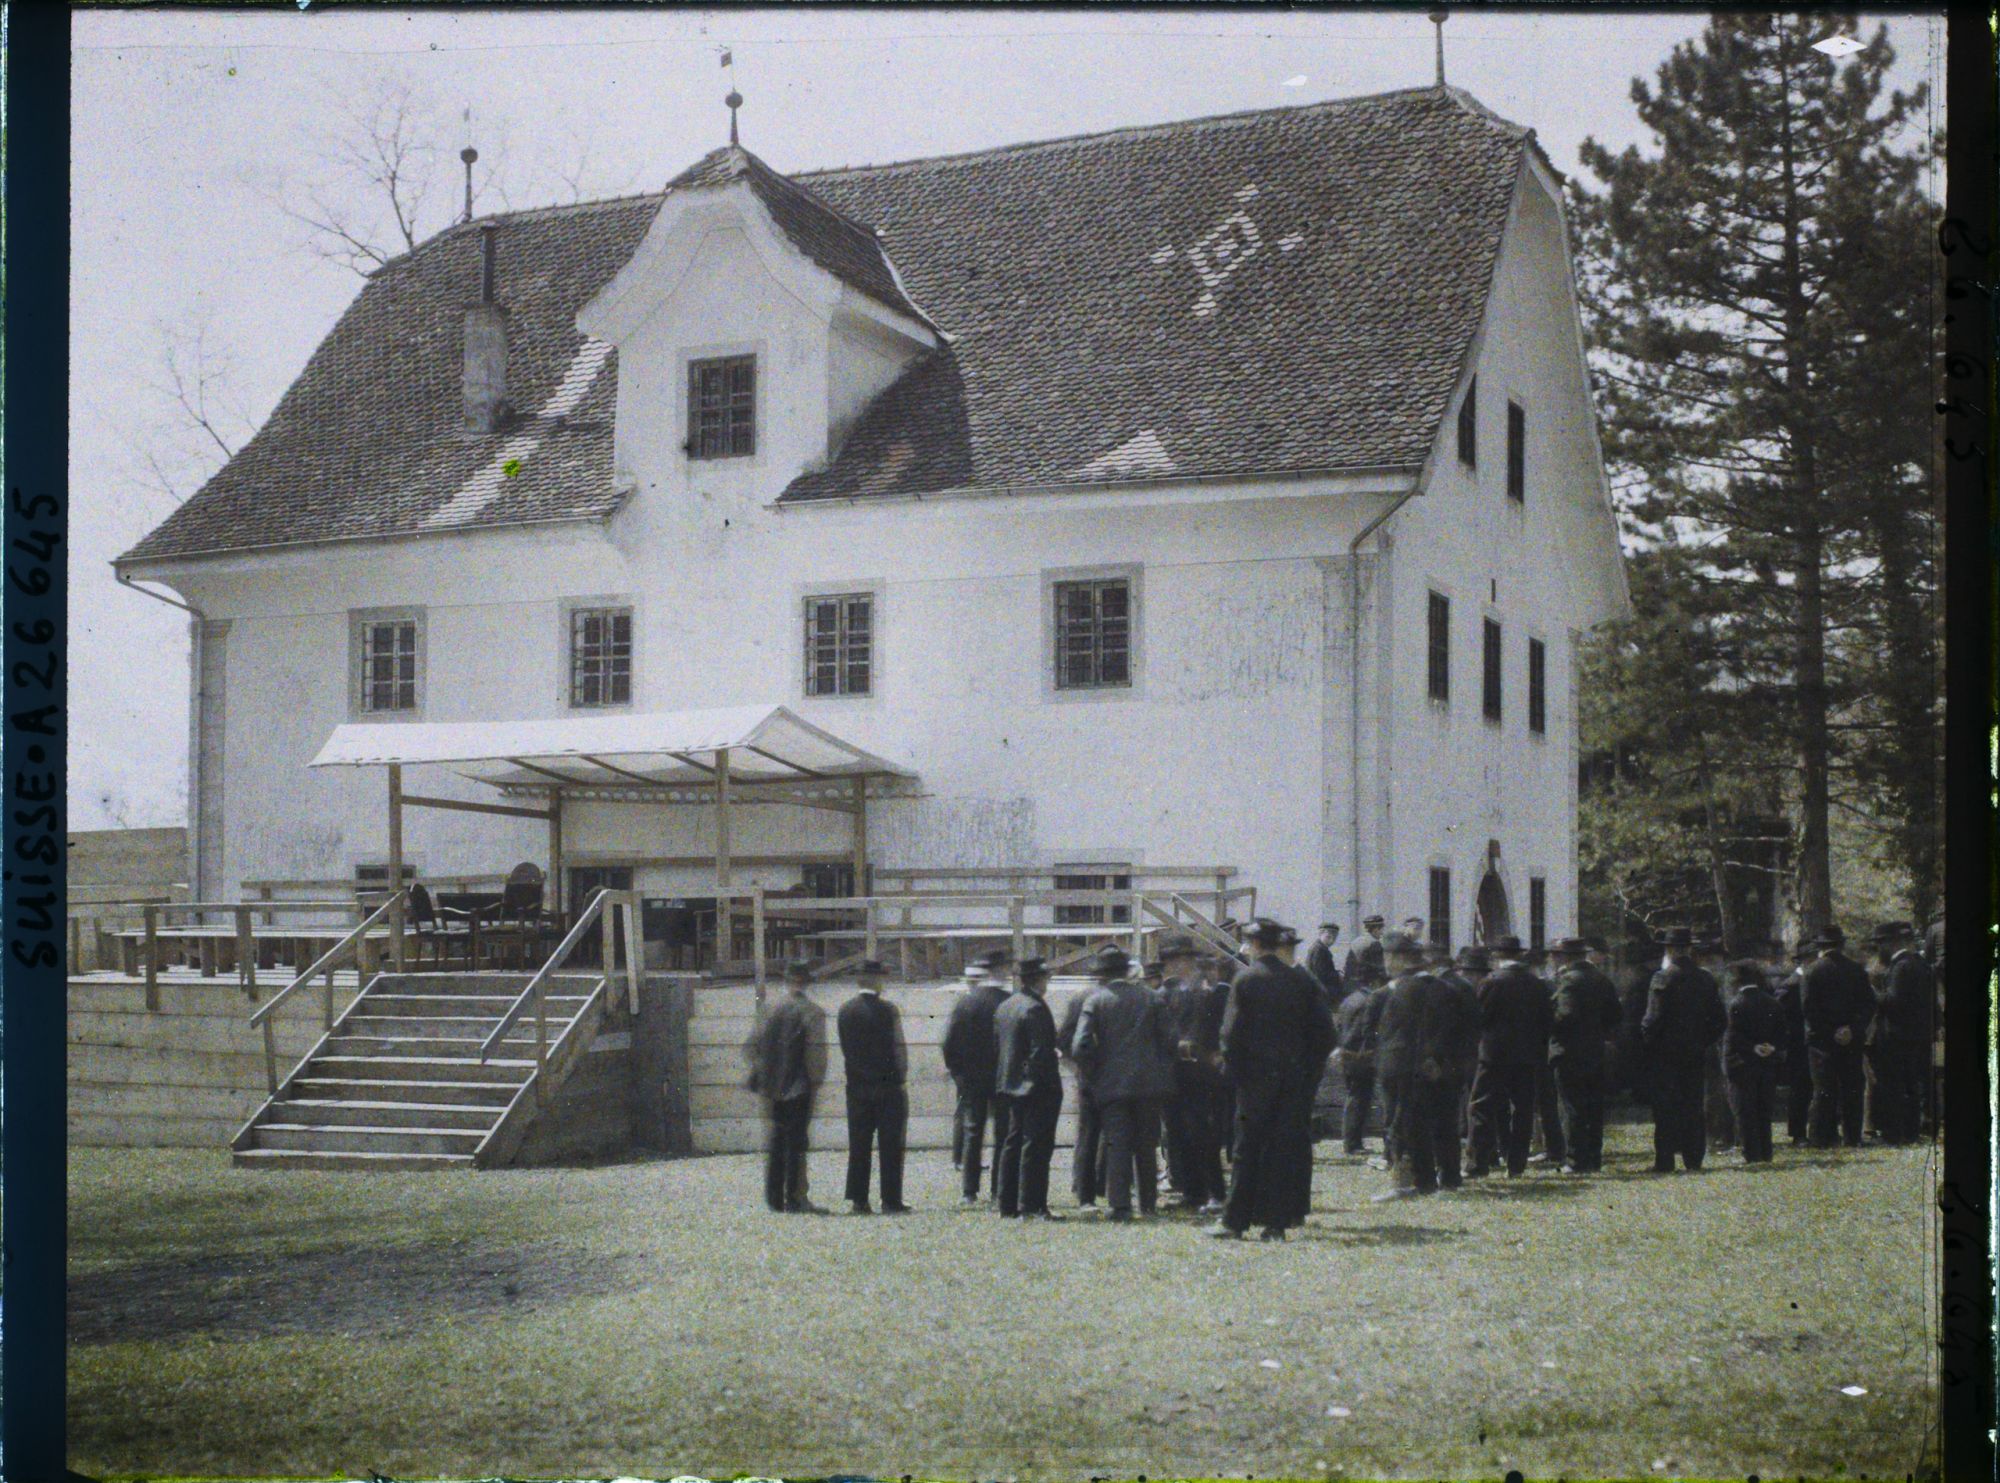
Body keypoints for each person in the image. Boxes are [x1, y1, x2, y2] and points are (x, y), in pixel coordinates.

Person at [1207, 919, 1333, 1241]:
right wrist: (1306, 1072)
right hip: (1293, 1081)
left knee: (1246, 1149)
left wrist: (1236, 1074)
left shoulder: (1245, 980)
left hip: (1254, 1081)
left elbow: (1230, 1036)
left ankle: (1234, 1221)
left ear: (1254, 945)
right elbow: (1326, 1034)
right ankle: (1275, 1223)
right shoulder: (1301, 981)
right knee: (1283, 1149)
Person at [1071, 946, 1177, 1222]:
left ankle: (1119, 1205)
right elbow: (1170, 1040)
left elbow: (1080, 1046)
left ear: (1103, 975)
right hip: (1148, 1085)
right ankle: (1148, 1204)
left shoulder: (1096, 1001)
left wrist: (1096, 1071)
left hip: (1111, 1085)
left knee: (1116, 1144)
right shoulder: (1151, 998)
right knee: (1145, 1146)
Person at [1370, 932, 1466, 1200]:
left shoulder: (1404, 989)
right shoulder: (1442, 988)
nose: (1386, 964)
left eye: (1388, 957)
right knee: (1430, 1124)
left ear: (1399, 959)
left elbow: (1400, 1033)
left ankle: (1406, 1183)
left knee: (1403, 1125)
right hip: (1433, 1068)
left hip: (1404, 1068)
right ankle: (1433, 1180)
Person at [1640, 928, 1727, 1172]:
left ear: (1668, 949)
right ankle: (1693, 1158)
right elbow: (1720, 1020)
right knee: (1693, 1106)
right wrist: (1702, 1040)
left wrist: (1650, 1044)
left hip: (1665, 1053)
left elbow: (1652, 1019)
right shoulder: (1705, 978)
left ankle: (1665, 1159)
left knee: (1665, 1107)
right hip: (1694, 1051)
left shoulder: (1662, 978)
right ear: (1690, 949)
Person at [747, 960, 829, 1213]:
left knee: (775, 1141)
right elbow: (815, 1057)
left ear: (785, 980)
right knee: (797, 1143)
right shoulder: (812, 1012)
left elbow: (751, 1047)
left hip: (770, 1086)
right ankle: (796, 1198)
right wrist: (816, 1083)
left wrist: (766, 1072)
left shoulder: (768, 1008)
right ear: (805, 983)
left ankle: (773, 1199)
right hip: (800, 1086)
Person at [1467, 935, 1551, 1179]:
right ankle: (1517, 1164)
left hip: (1493, 1054)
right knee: (1523, 1109)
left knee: (1481, 1106)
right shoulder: (1536, 983)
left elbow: (1479, 1018)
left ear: (1496, 956)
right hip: (1526, 1055)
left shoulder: (1492, 981)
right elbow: (1546, 1020)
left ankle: (1477, 1162)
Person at [993, 957, 1065, 1219]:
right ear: (1039, 979)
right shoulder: (1035, 1007)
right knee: (1036, 1146)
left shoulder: (1006, 1006)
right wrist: (1040, 1080)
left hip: (1010, 1084)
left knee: (1012, 1144)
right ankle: (1032, 1205)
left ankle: (1007, 1203)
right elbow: (1040, 1052)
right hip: (1036, 1087)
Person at [836, 959, 909, 1214]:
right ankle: (890, 1200)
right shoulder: (889, 1010)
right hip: (888, 1087)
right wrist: (901, 1078)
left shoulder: (845, 1011)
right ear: (878, 981)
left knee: (859, 1144)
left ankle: (859, 1199)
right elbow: (899, 1050)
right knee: (891, 1145)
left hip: (857, 1087)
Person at [1158, 936, 1224, 1212]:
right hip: (1175, 1070)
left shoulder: (1202, 991)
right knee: (1178, 1133)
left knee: (1200, 1133)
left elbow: (1210, 1029)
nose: (1174, 966)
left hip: (1198, 1070)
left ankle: (1215, 1192)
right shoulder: (1170, 992)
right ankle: (1193, 1192)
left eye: (1178, 960)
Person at [942, 948, 1012, 1204]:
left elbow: (950, 1043)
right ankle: (998, 1189)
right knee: (1003, 1134)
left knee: (973, 1132)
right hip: (1003, 1077)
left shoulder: (967, 1001)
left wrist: (958, 1074)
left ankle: (969, 1191)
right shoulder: (1009, 1001)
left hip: (972, 1079)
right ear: (1002, 970)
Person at [1546, 936, 1621, 1173]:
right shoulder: (1601, 979)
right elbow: (1615, 1014)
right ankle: (1593, 1157)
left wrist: (1548, 1024)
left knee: (1571, 1107)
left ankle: (1576, 1160)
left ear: (1564, 957)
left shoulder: (1569, 981)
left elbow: (1564, 1017)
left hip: (1569, 1051)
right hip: (1596, 1049)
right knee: (1593, 1107)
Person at [1800, 924, 1874, 1149]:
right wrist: (1851, 1028)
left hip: (1822, 1041)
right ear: (1841, 945)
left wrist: (1830, 1031)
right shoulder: (1856, 969)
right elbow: (1868, 1004)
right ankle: (1853, 1135)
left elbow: (1808, 1008)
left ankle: (1821, 1137)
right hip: (1851, 1038)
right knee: (1852, 1087)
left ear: (1819, 947)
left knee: (1823, 1090)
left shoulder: (1812, 972)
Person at [1869, 921, 1933, 1145]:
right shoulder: (1921, 964)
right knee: (1912, 1085)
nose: (1878, 950)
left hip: (1896, 1036)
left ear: (1890, 943)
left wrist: (1873, 994)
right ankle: (1911, 1131)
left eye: (1880, 944)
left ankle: (1894, 1133)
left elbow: (1893, 1001)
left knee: (1893, 1086)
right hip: (1918, 1035)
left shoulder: (1900, 967)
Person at [1720, 958, 1783, 1164]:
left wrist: (1748, 1050)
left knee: (1744, 1111)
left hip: (1743, 1064)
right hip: (1767, 1062)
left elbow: (1732, 1037)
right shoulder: (1772, 1002)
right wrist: (1771, 1047)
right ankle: (1766, 1152)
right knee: (1763, 1110)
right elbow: (1782, 1032)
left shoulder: (1735, 1004)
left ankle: (1751, 1153)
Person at [1439, 945, 1488, 1186]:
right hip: (1470, 1053)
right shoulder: (1467, 990)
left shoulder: (1452, 988)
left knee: (1466, 1105)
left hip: (1457, 1056)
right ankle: (1478, 1154)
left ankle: (1472, 1156)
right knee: (1472, 1104)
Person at [1057, 972, 1105, 1208]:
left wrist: (1078, 1067)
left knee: (1087, 1134)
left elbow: (1064, 1039)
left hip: (1087, 1074)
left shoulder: (1081, 997)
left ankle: (1084, 1189)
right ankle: (1101, 1186)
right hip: (1106, 1074)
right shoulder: (1108, 997)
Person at [1334, 968, 1387, 1159]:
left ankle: (1351, 1141)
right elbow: (1365, 1030)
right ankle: (1352, 1142)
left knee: (1354, 1096)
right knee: (1359, 1099)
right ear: (1373, 983)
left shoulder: (1348, 1000)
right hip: (1361, 1055)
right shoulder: (1369, 1002)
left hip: (1347, 1053)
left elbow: (1339, 1026)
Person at [1772, 945, 1814, 1144]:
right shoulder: (1790, 985)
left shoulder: (1810, 980)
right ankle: (1798, 1132)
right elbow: (1779, 1015)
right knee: (1800, 1089)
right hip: (1797, 1044)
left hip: (1810, 1042)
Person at [1305, 922, 1346, 1007]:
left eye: (1334, 938)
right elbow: (1320, 973)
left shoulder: (1319, 947)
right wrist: (1337, 975)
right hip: (1321, 990)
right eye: (1328, 937)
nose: (1331, 941)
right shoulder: (1319, 950)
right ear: (1320, 934)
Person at [1343, 914, 1387, 983]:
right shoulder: (1374, 943)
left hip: (1351, 983)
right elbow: (1379, 968)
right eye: (1381, 930)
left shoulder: (1356, 941)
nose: (1382, 933)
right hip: (1367, 984)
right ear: (1375, 929)